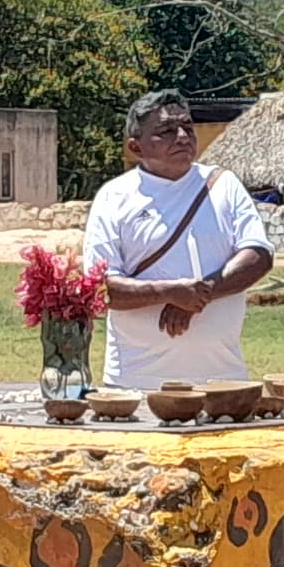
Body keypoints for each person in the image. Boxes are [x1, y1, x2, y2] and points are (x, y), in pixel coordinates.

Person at [84, 91, 272, 387]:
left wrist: (200, 293)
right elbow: (101, 287)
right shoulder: (114, 197)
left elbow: (258, 256)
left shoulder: (223, 184)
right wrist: (167, 292)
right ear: (136, 147)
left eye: (188, 127)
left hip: (222, 379)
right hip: (136, 380)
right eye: (166, 131)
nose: (183, 137)